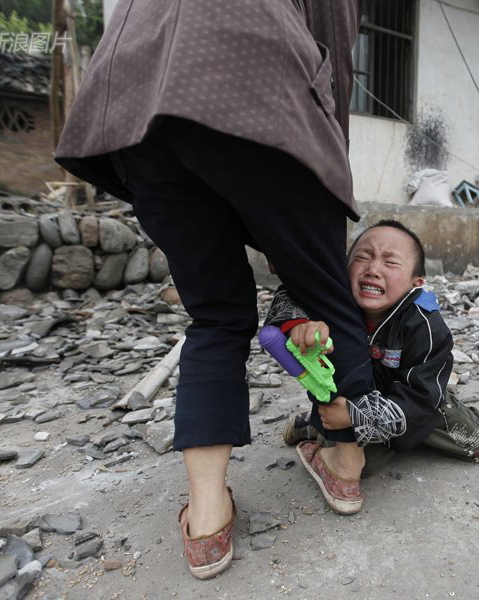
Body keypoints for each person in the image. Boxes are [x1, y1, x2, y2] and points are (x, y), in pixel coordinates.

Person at [53, 1, 379, 580]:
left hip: (139, 104)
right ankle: (345, 461)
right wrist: (327, 175)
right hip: (258, 87)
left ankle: (207, 518)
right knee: (327, 295)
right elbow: (331, 54)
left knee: (216, 316)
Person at [265, 220, 479, 480]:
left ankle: (321, 422)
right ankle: (320, 422)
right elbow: (292, 292)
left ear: (416, 282)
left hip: (412, 399)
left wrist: (357, 416)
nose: (373, 269)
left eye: (391, 262)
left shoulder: (425, 325)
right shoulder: (336, 298)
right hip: (352, 395)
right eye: (362, 257)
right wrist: (298, 325)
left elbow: (420, 398)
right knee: (363, 466)